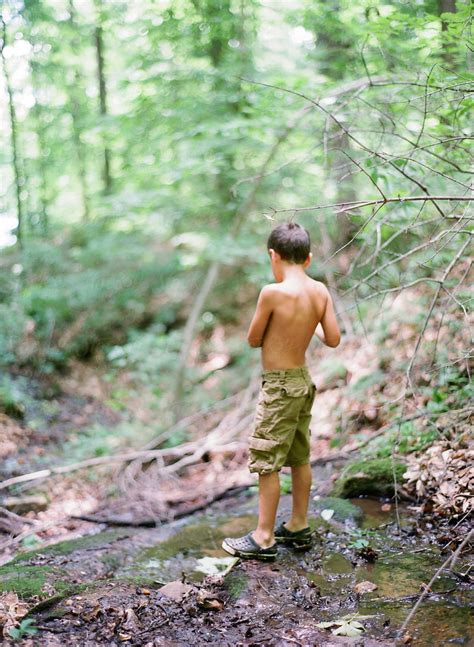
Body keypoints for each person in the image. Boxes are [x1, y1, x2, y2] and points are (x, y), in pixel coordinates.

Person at [222, 222, 341, 560]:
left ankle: (263, 537)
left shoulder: (271, 293)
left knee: (267, 461)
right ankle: (299, 525)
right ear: (308, 258)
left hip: (278, 387)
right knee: (299, 455)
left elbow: (253, 339)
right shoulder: (320, 292)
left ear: (273, 256)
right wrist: (308, 324)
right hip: (302, 382)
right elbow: (332, 338)